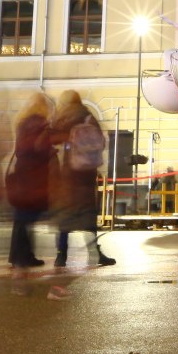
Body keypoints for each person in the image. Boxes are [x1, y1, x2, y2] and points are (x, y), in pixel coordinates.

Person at [49, 93, 115, 298]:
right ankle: (95, 252)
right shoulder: (87, 115)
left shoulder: (61, 118)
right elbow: (102, 142)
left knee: (66, 214)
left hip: (68, 172)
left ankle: (61, 255)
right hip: (87, 172)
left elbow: (51, 140)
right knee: (88, 212)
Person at [7, 93, 55, 291]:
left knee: (23, 219)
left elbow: (21, 150)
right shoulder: (39, 124)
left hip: (23, 175)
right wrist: (50, 151)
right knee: (26, 219)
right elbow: (37, 148)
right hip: (33, 177)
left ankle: (21, 256)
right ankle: (21, 260)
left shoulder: (22, 123)